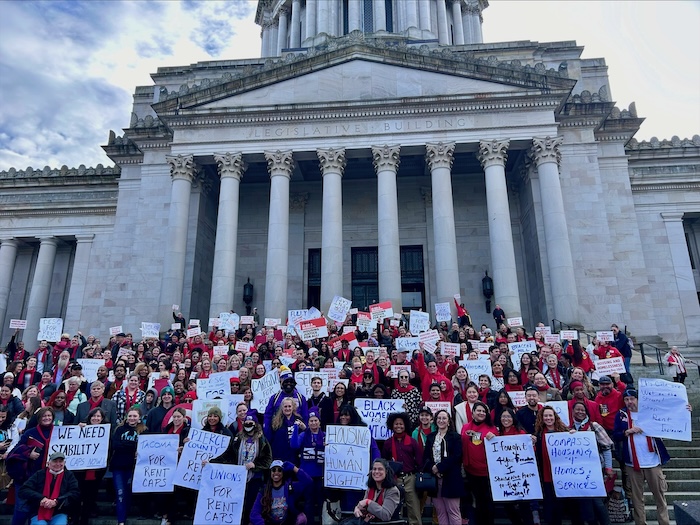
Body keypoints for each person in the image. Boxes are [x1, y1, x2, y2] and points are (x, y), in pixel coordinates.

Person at [613, 389, 690, 525]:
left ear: (637, 399)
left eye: (632, 398)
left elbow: (671, 416)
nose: (630, 402)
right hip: (633, 463)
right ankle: (641, 523)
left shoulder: (651, 411)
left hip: (652, 462)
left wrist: (685, 410)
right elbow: (616, 435)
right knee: (637, 499)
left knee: (660, 497)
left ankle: (664, 522)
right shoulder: (621, 415)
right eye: (626, 399)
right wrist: (628, 431)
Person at [212, 414, 272, 524]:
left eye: (251, 423)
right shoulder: (238, 439)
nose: (248, 425)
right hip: (238, 479)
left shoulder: (262, 440)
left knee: (251, 505)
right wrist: (210, 462)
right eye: (246, 423)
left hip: (254, 479)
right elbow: (228, 455)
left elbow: (268, 459)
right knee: (239, 505)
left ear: (256, 424)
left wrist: (255, 465)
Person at [8, 407, 56, 525]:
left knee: (35, 512)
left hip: (46, 478)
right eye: (44, 416)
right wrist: (28, 453)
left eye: (49, 416)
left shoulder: (60, 432)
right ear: (39, 418)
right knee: (22, 509)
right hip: (27, 477)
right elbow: (15, 451)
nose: (47, 418)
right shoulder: (30, 432)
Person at [381, 412, 422, 525]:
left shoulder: (412, 442)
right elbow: (383, 461)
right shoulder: (388, 443)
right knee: (393, 508)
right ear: (392, 425)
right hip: (394, 479)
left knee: (413, 509)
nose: (398, 426)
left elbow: (419, 460)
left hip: (410, 478)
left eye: (401, 424)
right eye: (396, 424)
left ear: (405, 425)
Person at [423, 409, 462, 525]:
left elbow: (457, 456)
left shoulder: (455, 437)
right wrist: (433, 468)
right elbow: (426, 458)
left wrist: (439, 468)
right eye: (439, 418)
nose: (441, 420)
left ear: (449, 421)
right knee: (440, 511)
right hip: (434, 479)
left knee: (453, 511)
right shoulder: (430, 437)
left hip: (451, 478)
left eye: (444, 418)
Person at [461, 401, 498, 525]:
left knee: (487, 502)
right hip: (470, 470)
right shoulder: (465, 427)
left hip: (486, 472)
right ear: (473, 413)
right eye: (479, 410)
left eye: (484, 411)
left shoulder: (492, 429)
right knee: (476, 500)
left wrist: (494, 436)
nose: (481, 413)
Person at [19, 451, 79, 525]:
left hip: (60, 511)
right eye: (55, 461)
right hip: (38, 511)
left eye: (60, 461)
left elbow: (75, 493)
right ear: (48, 463)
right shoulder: (39, 474)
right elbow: (23, 490)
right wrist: (41, 498)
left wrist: (57, 501)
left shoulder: (69, 475)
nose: (58, 464)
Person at [535, 406, 571, 525]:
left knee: (560, 505)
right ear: (542, 418)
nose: (548, 418)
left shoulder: (564, 431)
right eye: (546, 416)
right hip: (546, 475)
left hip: (562, 475)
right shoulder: (539, 433)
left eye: (550, 415)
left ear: (555, 417)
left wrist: (573, 434)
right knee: (549, 505)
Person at [73, 408, 109, 525]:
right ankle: (75, 518)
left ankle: (84, 520)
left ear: (102, 419)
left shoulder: (106, 431)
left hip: (97, 470)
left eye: (98, 416)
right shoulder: (82, 428)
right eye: (94, 416)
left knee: (90, 495)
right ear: (89, 417)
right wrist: (78, 429)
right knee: (79, 495)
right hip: (80, 469)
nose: (96, 418)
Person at [110, 408, 146, 525]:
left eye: (135, 416)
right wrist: (133, 447)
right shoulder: (119, 429)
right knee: (120, 492)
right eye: (130, 416)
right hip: (118, 466)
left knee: (129, 492)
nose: (132, 418)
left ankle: (125, 514)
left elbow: (144, 447)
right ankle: (121, 521)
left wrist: (125, 445)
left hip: (134, 467)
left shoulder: (144, 431)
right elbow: (115, 445)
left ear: (139, 418)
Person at [250, 460, 312, 525]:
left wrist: (294, 468)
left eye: (279, 470)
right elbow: (254, 514)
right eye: (274, 470)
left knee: (302, 518)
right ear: (270, 473)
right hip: (269, 523)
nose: (276, 472)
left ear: (283, 473)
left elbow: (308, 482)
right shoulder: (264, 490)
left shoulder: (290, 487)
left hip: (287, 522)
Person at [290, 408, 325, 520]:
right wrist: (295, 428)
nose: (313, 423)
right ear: (308, 423)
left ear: (319, 422)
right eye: (311, 421)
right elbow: (294, 445)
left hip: (321, 474)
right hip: (307, 474)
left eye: (316, 420)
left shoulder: (325, 435)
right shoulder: (304, 435)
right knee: (309, 501)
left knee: (321, 501)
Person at [342, 459, 400, 525]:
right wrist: (357, 509)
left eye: (380, 469)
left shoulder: (392, 490)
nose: (376, 471)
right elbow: (363, 506)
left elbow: (385, 515)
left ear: (386, 472)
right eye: (374, 469)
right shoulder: (370, 488)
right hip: (368, 521)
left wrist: (368, 502)